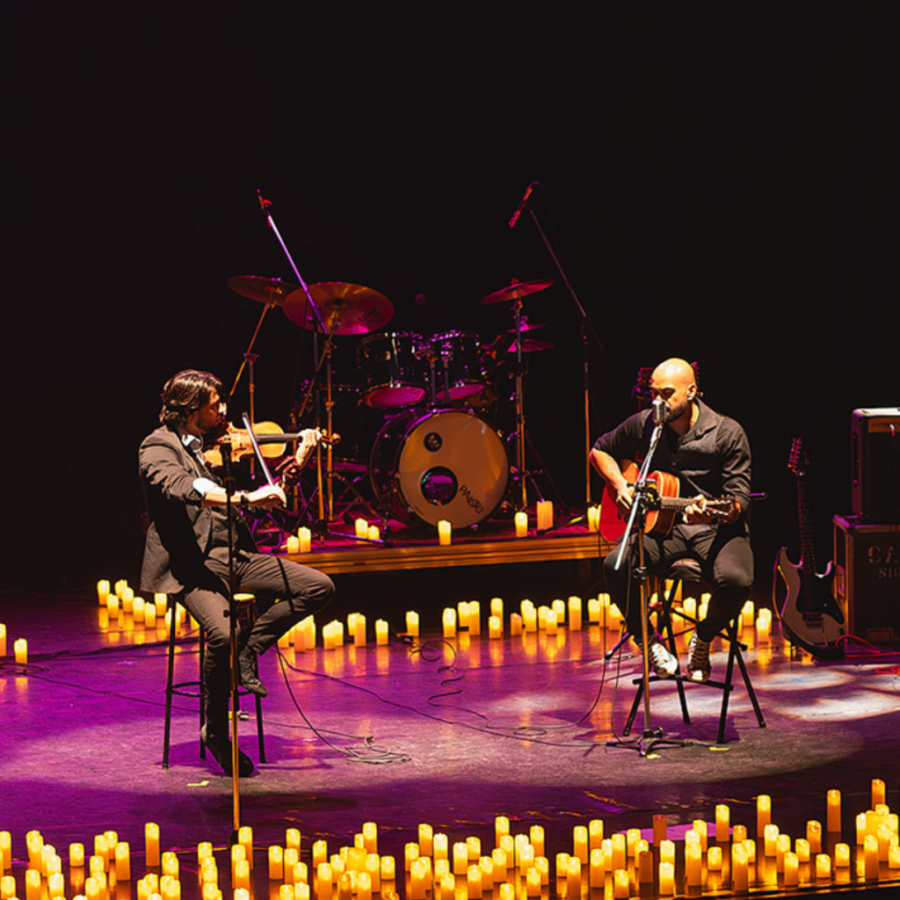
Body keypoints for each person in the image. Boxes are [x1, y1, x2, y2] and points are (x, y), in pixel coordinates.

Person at [139, 369, 334, 776]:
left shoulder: (213, 447)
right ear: (192, 409)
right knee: (222, 633)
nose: (224, 410)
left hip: (237, 557)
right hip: (193, 566)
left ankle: (250, 651)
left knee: (318, 587)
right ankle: (215, 730)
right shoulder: (157, 447)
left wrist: (298, 458)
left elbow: (265, 497)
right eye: (215, 405)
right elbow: (183, 487)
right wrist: (245, 495)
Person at [591, 358, 752, 682]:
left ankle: (703, 638)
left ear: (691, 391)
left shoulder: (727, 432)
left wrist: (711, 510)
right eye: (654, 393)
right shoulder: (647, 423)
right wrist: (621, 485)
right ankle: (648, 641)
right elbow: (600, 450)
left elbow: (739, 501)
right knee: (616, 566)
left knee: (737, 582)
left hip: (715, 530)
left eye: (667, 394)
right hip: (664, 530)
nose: (658, 402)